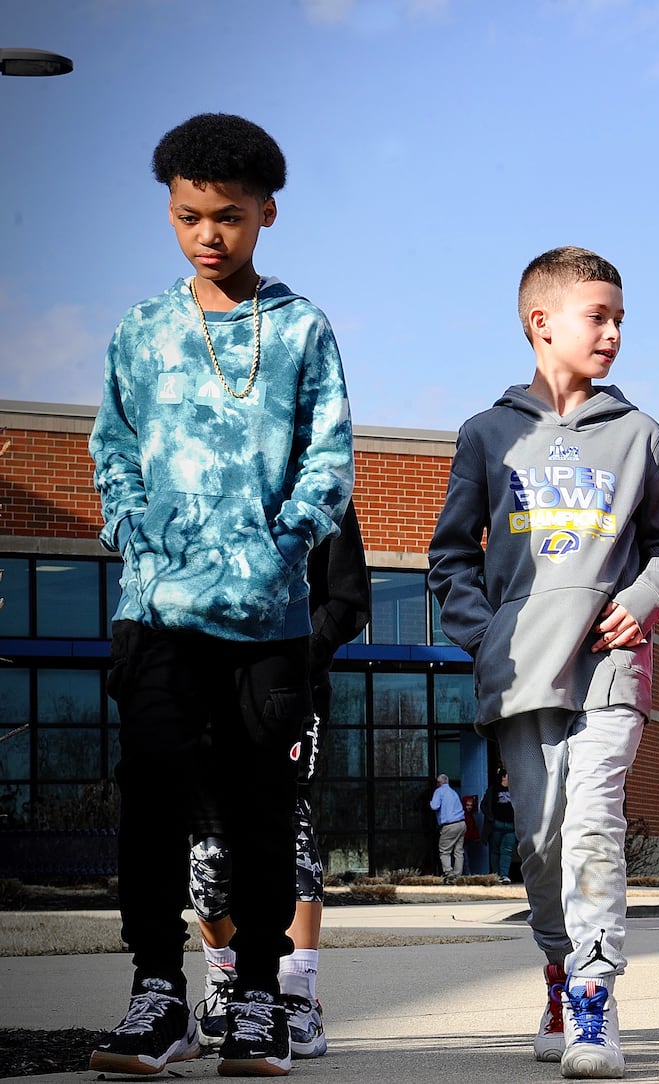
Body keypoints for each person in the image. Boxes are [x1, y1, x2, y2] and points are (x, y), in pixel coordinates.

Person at [87, 112, 354, 1077]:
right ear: (169, 211)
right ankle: (157, 992)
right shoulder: (141, 331)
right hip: (156, 612)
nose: (209, 234)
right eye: (191, 215)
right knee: (153, 798)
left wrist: (282, 545)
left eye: (229, 217)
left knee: (258, 805)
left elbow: (330, 459)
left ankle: (255, 1002)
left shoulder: (300, 330)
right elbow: (111, 447)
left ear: (265, 214)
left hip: (268, 618)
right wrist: (131, 527)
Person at [427, 246, 659, 1079]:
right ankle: (556, 969)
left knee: (592, 829)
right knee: (540, 842)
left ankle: (593, 997)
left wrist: (642, 604)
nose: (613, 332)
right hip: (519, 676)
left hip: (612, 669)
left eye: (620, 318)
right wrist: (487, 638)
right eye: (598, 316)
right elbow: (448, 560)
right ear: (541, 323)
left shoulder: (638, 433)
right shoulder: (486, 434)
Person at [190, 504, 370, 1061]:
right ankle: (226, 980)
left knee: (286, 827)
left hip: (291, 685)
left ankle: (297, 993)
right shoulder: (199, 465)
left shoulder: (318, 480)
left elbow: (347, 597)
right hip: (205, 682)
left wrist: (298, 654)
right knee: (210, 847)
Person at [430, 774, 467, 883]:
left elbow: (434, 806)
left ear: (439, 783)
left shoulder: (439, 791)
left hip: (449, 825)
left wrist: (430, 802)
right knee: (459, 851)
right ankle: (458, 874)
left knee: (444, 851)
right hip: (461, 823)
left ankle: (449, 873)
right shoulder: (454, 792)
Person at [485, 767, 517, 884]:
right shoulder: (493, 790)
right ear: (503, 777)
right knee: (495, 851)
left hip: (511, 826)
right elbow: (485, 805)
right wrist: (491, 819)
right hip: (497, 824)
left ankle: (504, 875)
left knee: (507, 850)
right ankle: (496, 875)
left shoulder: (515, 790)